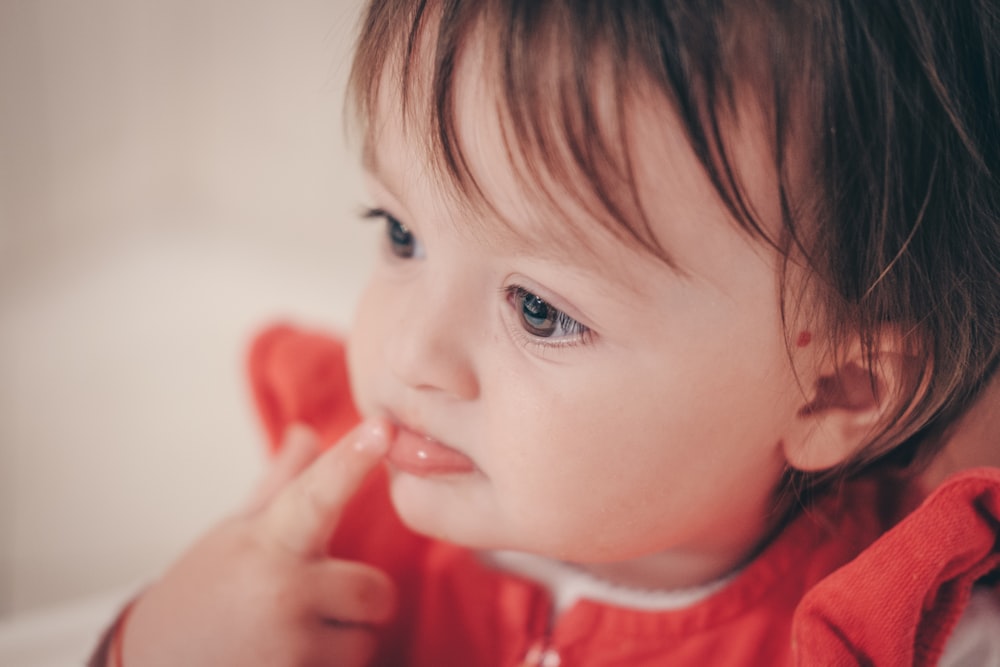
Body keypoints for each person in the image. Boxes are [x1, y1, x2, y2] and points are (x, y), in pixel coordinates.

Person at [90, 0, 1000, 665]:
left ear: (836, 388)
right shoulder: (319, 541)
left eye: (539, 310)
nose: (410, 355)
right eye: (401, 234)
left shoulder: (898, 631)